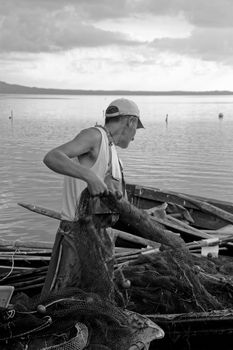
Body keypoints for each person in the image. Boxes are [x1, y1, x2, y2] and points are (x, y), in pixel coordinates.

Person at [41, 98, 144, 298]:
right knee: (60, 298)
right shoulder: (94, 136)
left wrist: (143, 215)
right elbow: (52, 157)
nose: (134, 136)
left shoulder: (113, 152)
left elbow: (112, 199)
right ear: (130, 121)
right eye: (136, 128)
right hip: (76, 233)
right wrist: (88, 176)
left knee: (94, 299)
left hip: (100, 237)